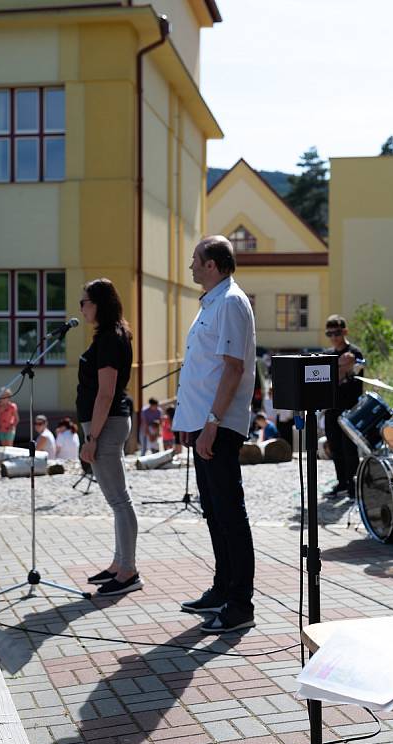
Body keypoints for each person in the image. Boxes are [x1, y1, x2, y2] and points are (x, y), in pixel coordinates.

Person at [173, 235, 256, 634]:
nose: (190, 266)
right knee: (215, 513)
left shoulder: (230, 302)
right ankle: (223, 589)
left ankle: (240, 603)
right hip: (206, 424)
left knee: (229, 513)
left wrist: (210, 421)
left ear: (212, 265)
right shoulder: (214, 302)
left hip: (219, 426)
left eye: (195, 259)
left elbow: (233, 368)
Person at [77, 278, 141, 596]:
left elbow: (106, 393)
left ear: (98, 303)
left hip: (107, 424)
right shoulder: (109, 336)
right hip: (106, 423)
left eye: (84, 301)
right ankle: (119, 564)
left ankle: (128, 570)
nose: (82, 308)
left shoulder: (110, 339)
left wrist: (92, 438)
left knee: (119, 500)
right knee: (116, 500)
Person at [323, 314, 364, 499]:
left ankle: (353, 485)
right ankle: (341, 482)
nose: (333, 337)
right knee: (335, 447)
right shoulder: (329, 355)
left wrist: (339, 370)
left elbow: (355, 375)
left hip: (350, 408)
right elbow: (326, 381)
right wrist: (340, 367)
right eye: (329, 333)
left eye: (337, 333)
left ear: (345, 331)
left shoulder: (355, 353)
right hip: (332, 407)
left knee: (349, 448)